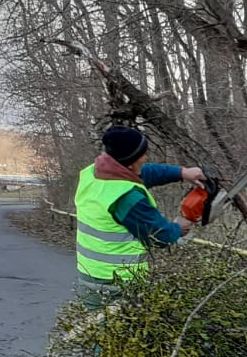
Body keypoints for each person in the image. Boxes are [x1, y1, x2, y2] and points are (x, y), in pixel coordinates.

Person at [74, 125, 207, 297]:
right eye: (141, 155)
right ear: (129, 162)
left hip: (90, 274)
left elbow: (145, 172)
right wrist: (179, 227)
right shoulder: (125, 198)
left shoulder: (96, 172)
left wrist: (182, 173)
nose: (145, 158)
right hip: (118, 282)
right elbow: (159, 235)